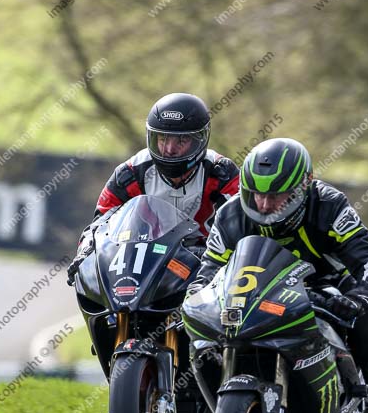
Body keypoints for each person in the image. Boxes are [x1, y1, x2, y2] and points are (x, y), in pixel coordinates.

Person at [187, 137, 368, 413]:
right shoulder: (230, 215)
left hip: (328, 287)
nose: (263, 205)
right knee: (202, 335)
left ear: (304, 187)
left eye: (276, 196)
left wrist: (360, 297)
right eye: (256, 194)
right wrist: (195, 298)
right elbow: (208, 270)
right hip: (261, 290)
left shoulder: (330, 206)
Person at [67, 93, 239, 282]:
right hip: (142, 267)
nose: (169, 149)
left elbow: (242, 225)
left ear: (200, 139)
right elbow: (100, 222)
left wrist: (214, 253)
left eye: (181, 141)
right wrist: (85, 251)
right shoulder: (131, 172)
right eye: (162, 139)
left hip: (203, 269)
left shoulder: (222, 172)